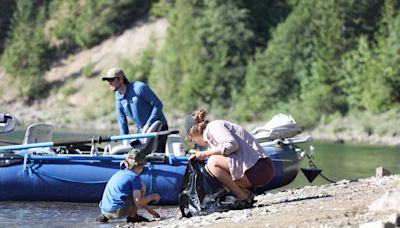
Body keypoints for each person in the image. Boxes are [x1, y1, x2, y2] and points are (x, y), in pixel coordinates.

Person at [184, 109, 275, 209]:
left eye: (191, 140)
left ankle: (242, 196)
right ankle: (246, 194)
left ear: (192, 134)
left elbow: (232, 144)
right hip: (256, 169)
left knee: (213, 163)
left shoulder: (213, 127)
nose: (193, 142)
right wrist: (201, 154)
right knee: (210, 168)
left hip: (260, 167)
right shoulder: (212, 138)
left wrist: (206, 153)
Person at [102, 67, 168, 153]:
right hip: (142, 132)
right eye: (108, 81)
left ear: (120, 79)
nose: (109, 83)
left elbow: (158, 105)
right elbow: (121, 120)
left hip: (158, 128)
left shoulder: (139, 88)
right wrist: (124, 139)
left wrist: (148, 124)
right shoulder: (118, 96)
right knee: (136, 156)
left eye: (111, 80)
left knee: (154, 157)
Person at [96, 148, 161, 223]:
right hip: (118, 211)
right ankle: (132, 216)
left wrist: (151, 211)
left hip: (104, 210)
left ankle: (103, 218)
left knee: (122, 192)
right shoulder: (134, 177)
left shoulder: (119, 173)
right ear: (141, 166)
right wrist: (153, 197)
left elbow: (137, 202)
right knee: (142, 187)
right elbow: (138, 202)